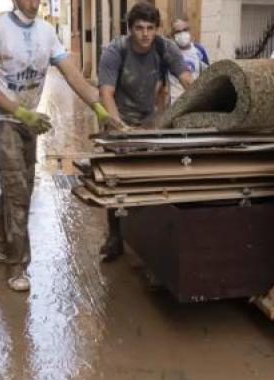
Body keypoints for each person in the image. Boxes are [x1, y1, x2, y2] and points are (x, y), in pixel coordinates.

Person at [0, 0, 123, 292]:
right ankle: (18, 266)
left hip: (29, 120)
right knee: (17, 189)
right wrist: (19, 112)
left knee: (20, 185)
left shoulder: (47, 32)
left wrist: (99, 109)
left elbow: (73, 76)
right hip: (0, 118)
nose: (34, 2)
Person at [97, 2, 192, 261]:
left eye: (151, 28)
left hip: (149, 119)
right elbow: (105, 93)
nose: (146, 34)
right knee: (115, 179)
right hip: (118, 117)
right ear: (130, 29)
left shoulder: (164, 47)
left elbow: (186, 79)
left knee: (148, 176)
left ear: (157, 29)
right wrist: (119, 128)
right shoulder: (115, 51)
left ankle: (147, 237)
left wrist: (201, 99)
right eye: (139, 28)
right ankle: (115, 236)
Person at [167, 18, 209, 105]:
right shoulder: (168, 52)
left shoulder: (199, 50)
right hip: (175, 103)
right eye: (178, 32)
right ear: (172, 35)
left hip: (194, 101)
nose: (182, 34)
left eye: (185, 30)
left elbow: (208, 74)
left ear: (189, 31)